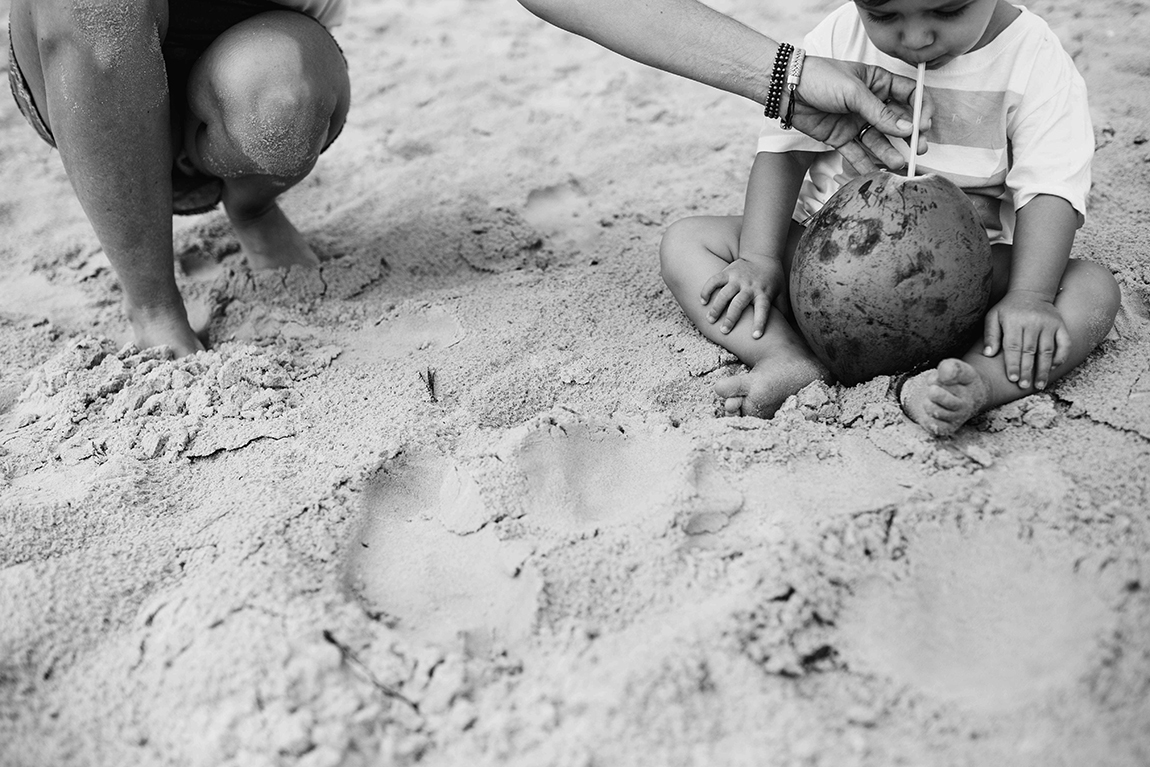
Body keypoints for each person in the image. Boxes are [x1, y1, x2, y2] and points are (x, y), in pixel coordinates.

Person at [9, 0, 931, 359]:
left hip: (241, 57)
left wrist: (783, 74)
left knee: (281, 99)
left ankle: (250, 197)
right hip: (87, 60)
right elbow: (78, 34)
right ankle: (150, 303)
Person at [659, 0, 1120, 436]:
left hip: (968, 285)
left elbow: (1050, 190)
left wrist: (1029, 295)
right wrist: (760, 257)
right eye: (882, 13)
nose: (917, 38)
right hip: (822, 272)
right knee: (690, 241)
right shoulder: (840, 36)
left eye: (947, 10)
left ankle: (973, 381)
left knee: (1090, 290)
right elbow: (784, 153)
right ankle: (786, 356)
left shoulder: (1033, 58)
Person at [8, 0, 352, 356]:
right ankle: (152, 306)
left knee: (282, 105)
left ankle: (252, 207)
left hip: (250, 51)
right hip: (87, 72)